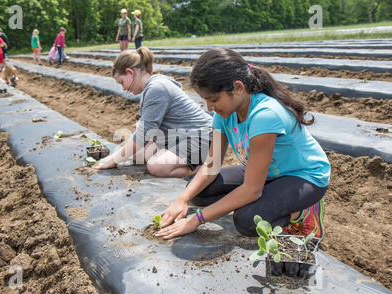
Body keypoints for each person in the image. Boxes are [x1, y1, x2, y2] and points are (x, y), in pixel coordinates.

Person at [155, 48, 330, 241]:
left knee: (247, 220)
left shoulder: (265, 115)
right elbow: (211, 166)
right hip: (270, 173)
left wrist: (196, 219)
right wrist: (182, 199)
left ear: (238, 88)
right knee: (200, 192)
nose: (210, 107)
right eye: (206, 100)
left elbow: (251, 189)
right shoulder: (225, 114)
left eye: (213, 99)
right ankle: (270, 199)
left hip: (303, 176)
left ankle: (302, 214)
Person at [94, 47, 213, 178]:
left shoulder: (157, 88)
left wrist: (113, 159)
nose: (123, 88)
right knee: (137, 155)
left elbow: (143, 134)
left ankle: (205, 168)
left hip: (201, 138)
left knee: (156, 166)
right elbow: (145, 131)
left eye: (122, 82)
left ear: (130, 73)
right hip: (179, 136)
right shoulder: (153, 85)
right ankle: (180, 158)